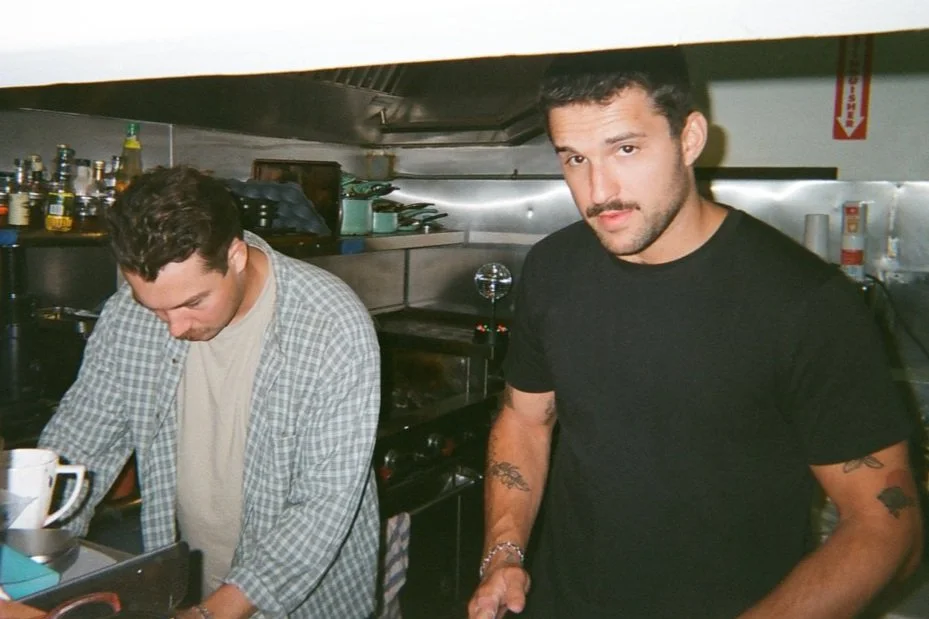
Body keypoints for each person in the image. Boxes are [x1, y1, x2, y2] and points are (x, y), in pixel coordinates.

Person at [468, 47, 923, 619]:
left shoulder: (803, 302)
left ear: (689, 139)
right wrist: (503, 554)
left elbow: (886, 525)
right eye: (574, 158)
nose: (598, 189)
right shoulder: (553, 269)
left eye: (625, 149)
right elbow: (525, 419)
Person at [40, 166, 381, 618]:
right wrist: (29, 551)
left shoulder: (330, 324)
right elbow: (83, 442)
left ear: (236, 256)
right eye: (155, 308)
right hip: (189, 588)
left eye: (193, 303)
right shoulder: (129, 314)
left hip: (308, 599)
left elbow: (321, 506)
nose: (175, 328)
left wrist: (213, 614)